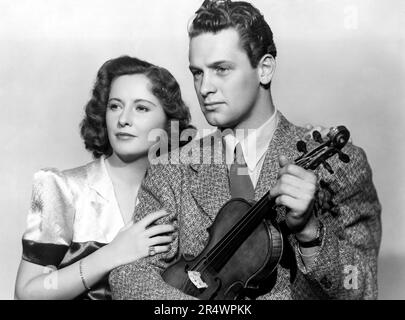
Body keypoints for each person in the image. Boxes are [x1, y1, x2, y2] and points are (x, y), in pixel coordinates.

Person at [109, 0, 381, 299]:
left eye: (221, 69)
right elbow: (130, 272)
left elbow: (361, 287)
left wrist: (309, 233)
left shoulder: (345, 165)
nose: (204, 88)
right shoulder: (170, 169)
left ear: (264, 69)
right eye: (197, 72)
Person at [14, 56, 194, 299]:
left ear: (168, 121)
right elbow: (26, 293)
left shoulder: (182, 192)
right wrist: (111, 255)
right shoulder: (62, 188)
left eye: (141, 108)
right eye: (115, 106)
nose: (123, 119)